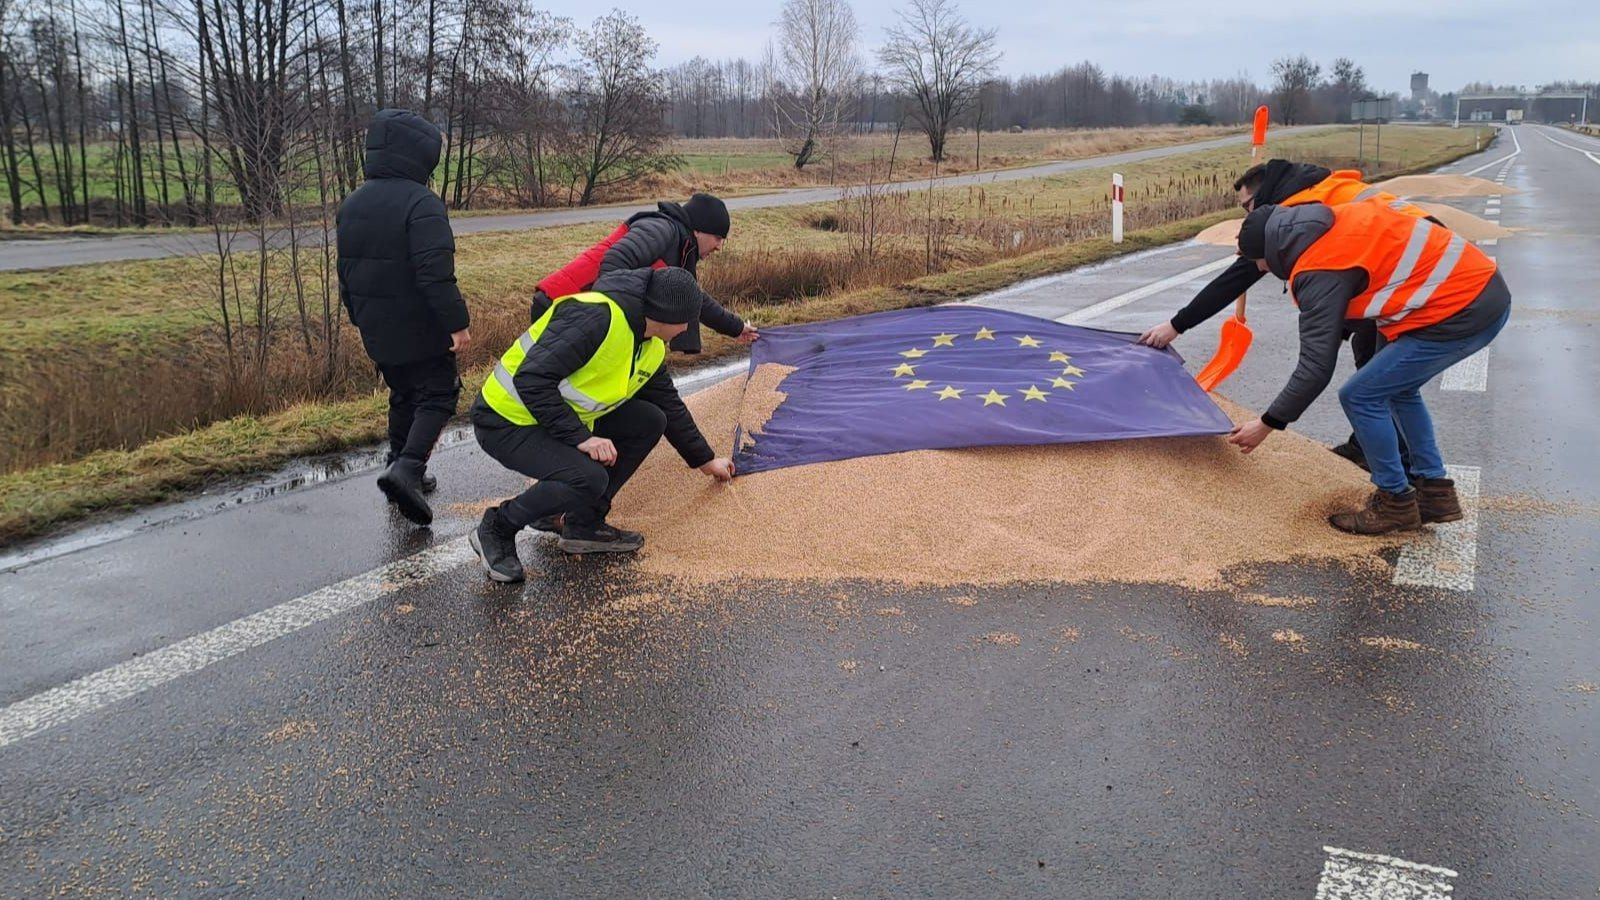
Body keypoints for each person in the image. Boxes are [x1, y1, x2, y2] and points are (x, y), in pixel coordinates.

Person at [1225, 199, 1511, 535]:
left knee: (1360, 395)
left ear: (1272, 252)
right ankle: (1434, 492)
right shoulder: (1331, 220)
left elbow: (1315, 367)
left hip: (1459, 309)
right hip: (1480, 292)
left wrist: (1267, 423)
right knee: (1397, 390)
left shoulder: (1318, 267)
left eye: (1259, 263)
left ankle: (1395, 501)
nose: (1261, 270)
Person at [1137, 160, 1431, 469]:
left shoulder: (1296, 214)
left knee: (1375, 380)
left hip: (1410, 272)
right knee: (1373, 364)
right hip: (1401, 262)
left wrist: (1176, 325)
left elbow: (1238, 277)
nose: (1247, 216)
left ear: (1264, 195)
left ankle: (1405, 471)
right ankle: (1376, 449)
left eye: (1248, 206)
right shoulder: (1316, 191)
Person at [469, 266, 736, 582]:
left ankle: (584, 523)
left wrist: (704, 460)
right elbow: (531, 378)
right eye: (686, 320)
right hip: (505, 419)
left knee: (650, 419)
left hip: (550, 418)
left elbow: (669, 404)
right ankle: (498, 526)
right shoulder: (596, 318)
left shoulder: (648, 345)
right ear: (666, 314)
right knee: (588, 478)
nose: (687, 328)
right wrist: (581, 438)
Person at [337, 108, 471, 527]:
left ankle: (400, 461)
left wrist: (358, 315)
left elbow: (346, 269)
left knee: (403, 393)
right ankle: (408, 469)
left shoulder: (353, 202)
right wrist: (456, 323)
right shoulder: (422, 202)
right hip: (420, 323)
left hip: (375, 323)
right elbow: (435, 272)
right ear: (419, 156)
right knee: (439, 392)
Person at [530, 192, 758, 355]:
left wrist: (735, 328)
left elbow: (690, 298)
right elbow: (614, 264)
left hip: (583, 314)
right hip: (560, 305)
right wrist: (628, 323)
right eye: (718, 238)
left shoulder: (682, 249)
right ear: (698, 229)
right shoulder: (661, 229)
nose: (719, 247)